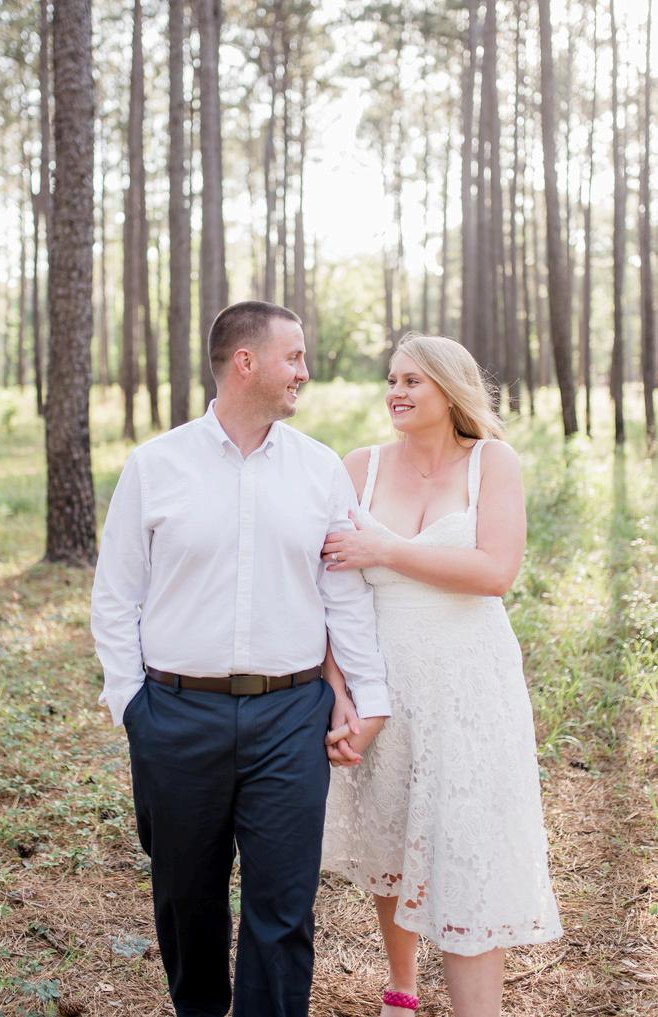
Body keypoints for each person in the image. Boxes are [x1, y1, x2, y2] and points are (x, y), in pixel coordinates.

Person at [90, 300, 390, 1017]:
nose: (305, 372)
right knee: (185, 898)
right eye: (295, 356)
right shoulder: (156, 465)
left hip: (291, 717)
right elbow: (116, 595)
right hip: (175, 715)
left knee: (283, 908)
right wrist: (133, 705)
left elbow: (342, 594)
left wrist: (369, 695)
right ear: (245, 362)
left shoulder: (319, 468)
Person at [320, 333, 562, 1017]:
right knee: (392, 834)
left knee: (466, 847)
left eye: (412, 381)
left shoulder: (492, 462)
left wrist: (386, 548)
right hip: (384, 683)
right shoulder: (359, 467)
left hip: (469, 685)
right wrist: (338, 689)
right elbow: (332, 591)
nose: (395, 392)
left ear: (450, 390)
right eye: (391, 379)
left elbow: (495, 572)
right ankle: (401, 989)